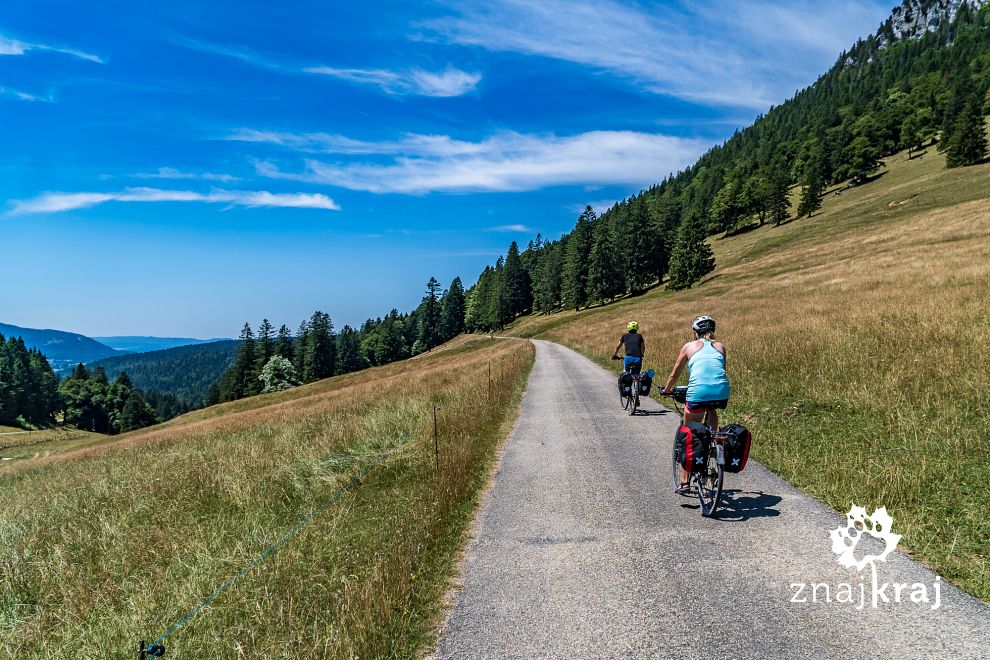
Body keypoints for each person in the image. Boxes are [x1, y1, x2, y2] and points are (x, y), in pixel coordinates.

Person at [661, 316, 730, 490]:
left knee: (688, 432)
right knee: (711, 407)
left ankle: (684, 481)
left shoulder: (689, 347)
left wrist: (667, 390)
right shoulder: (720, 347)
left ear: (695, 332)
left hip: (698, 392)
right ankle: (714, 439)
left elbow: (674, 375)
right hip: (721, 392)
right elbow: (720, 370)